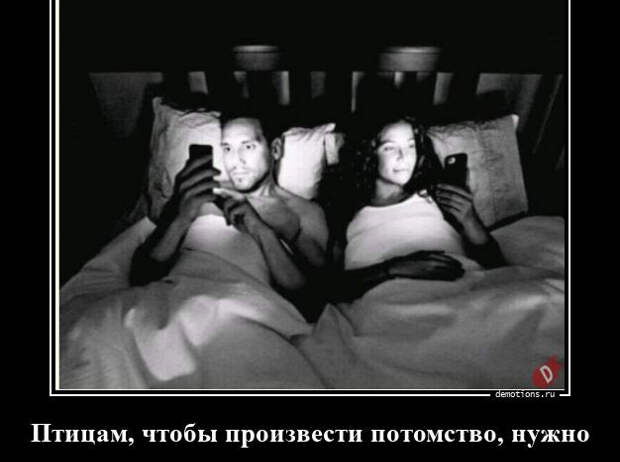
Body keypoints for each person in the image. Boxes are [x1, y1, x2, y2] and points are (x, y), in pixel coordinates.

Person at [130, 106, 329, 318]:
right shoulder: (195, 196)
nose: (236, 160)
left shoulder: (300, 212)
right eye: (227, 148)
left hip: (245, 312)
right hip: (175, 305)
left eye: (248, 147)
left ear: (276, 149)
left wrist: (261, 231)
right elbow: (141, 276)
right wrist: (180, 218)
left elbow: (312, 302)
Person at [323, 112, 504, 302]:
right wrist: (396, 268)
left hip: (461, 290)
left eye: (411, 146)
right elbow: (332, 289)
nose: (405, 157)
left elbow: (495, 264)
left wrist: (470, 219)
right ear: (368, 152)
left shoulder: (435, 193)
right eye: (390, 148)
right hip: (389, 298)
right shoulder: (346, 209)